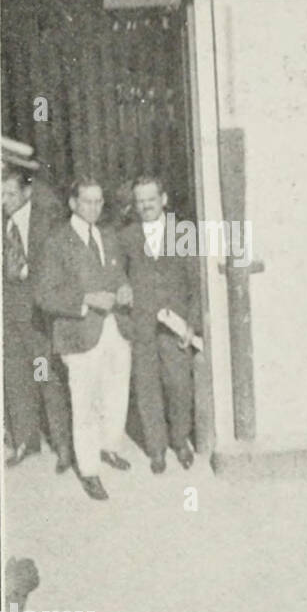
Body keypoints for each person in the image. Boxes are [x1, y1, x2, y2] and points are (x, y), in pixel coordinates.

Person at [35, 177, 134, 501]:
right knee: (85, 405)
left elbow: (117, 273)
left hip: (114, 328)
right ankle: (90, 470)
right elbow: (44, 295)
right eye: (87, 201)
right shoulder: (56, 242)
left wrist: (123, 287)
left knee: (116, 394)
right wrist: (86, 300)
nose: (94, 207)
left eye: (99, 202)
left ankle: (110, 447)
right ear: (73, 204)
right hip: (79, 333)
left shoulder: (108, 235)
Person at [119, 176, 201, 474]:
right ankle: (156, 449)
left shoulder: (183, 232)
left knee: (179, 386)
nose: (145, 206)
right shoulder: (126, 237)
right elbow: (119, 279)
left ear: (163, 199)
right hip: (141, 328)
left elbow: (196, 285)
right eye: (139, 201)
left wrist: (192, 325)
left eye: (150, 199)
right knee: (146, 388)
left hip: (175, 327)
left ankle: (180, 441)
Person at [0, 150, 72, 472]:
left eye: (10, 193)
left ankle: (63, 447)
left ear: (28, 193)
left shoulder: (47, 219)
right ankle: (26, 442)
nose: (3, 200)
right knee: (16, 379)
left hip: (38, 316)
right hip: (8, 315)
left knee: (46, 378)